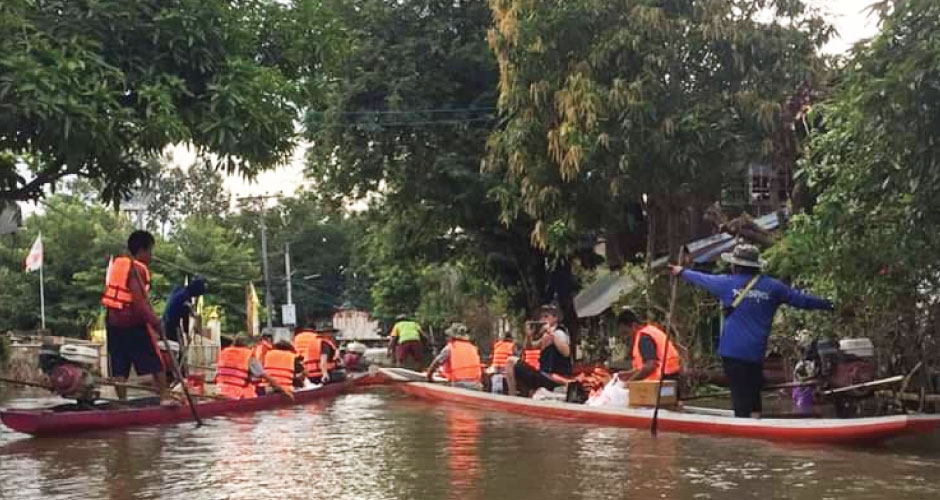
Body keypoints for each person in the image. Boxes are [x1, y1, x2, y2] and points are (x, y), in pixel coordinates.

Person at [670, 243, 833, 418]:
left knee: (740, 399)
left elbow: (701, 278)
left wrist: (681, 271)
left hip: (732, 353)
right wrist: (830, 304)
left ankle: (745, 431)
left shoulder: (726, 283)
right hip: (755, 353)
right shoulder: (773, 287)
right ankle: (756, 423)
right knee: (754, 396)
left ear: (736, 266)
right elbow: (802, 300)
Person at [101, 230, 174, 406]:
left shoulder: (118, 264)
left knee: (119, 365)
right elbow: (140, 303)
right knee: (156, 361)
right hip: (132, 323)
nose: (151, 256)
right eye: (150, 251)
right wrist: (156, 323)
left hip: (112, 322)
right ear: (142, 251)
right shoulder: (137, 269)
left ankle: (122, 401)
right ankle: (165, 397)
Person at [504, 305, 572, 397]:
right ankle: (514, 396)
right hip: (544, 375)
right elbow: (529, 347)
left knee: (510, 362)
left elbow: (566, 352)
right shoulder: (546, 336)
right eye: (542, 316)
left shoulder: (558, 333)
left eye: (546, 316)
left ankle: (512, 397)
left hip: (554, 378)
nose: (543, 319)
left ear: (555, 318)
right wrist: (528, 336)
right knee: (511, 362)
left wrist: (550, 332)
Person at [615, 308, 681, 384]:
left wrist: (629, 383)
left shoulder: (644, 338)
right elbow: (643, 366)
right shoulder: (649, 330)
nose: (625, 337)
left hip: (664, 379)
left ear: (634, 326)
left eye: (625, 333)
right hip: (670, 377)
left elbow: (650, 367)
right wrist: (629, 374)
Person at [217, 335, 290, 399]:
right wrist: (284, 390)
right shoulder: (248, 356)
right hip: (238, 394)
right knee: (266, 390)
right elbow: (266, 377)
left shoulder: (224, 353)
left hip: (219, 390)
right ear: (249, 345)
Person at [425, 323, 483, 389]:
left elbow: (436, 362)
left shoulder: (450, 347)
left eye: (448, 336)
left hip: (460, 384)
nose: (447, 338)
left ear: (452, 337)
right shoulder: (473, 347)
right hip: (476, 383)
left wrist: (429, 376)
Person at [161, 276, 208, 344]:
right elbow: (185, 318)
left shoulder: (179, 289)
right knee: (179, 348)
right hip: (171, 325)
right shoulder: (186, 299)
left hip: (164, 321)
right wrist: (187, 335)